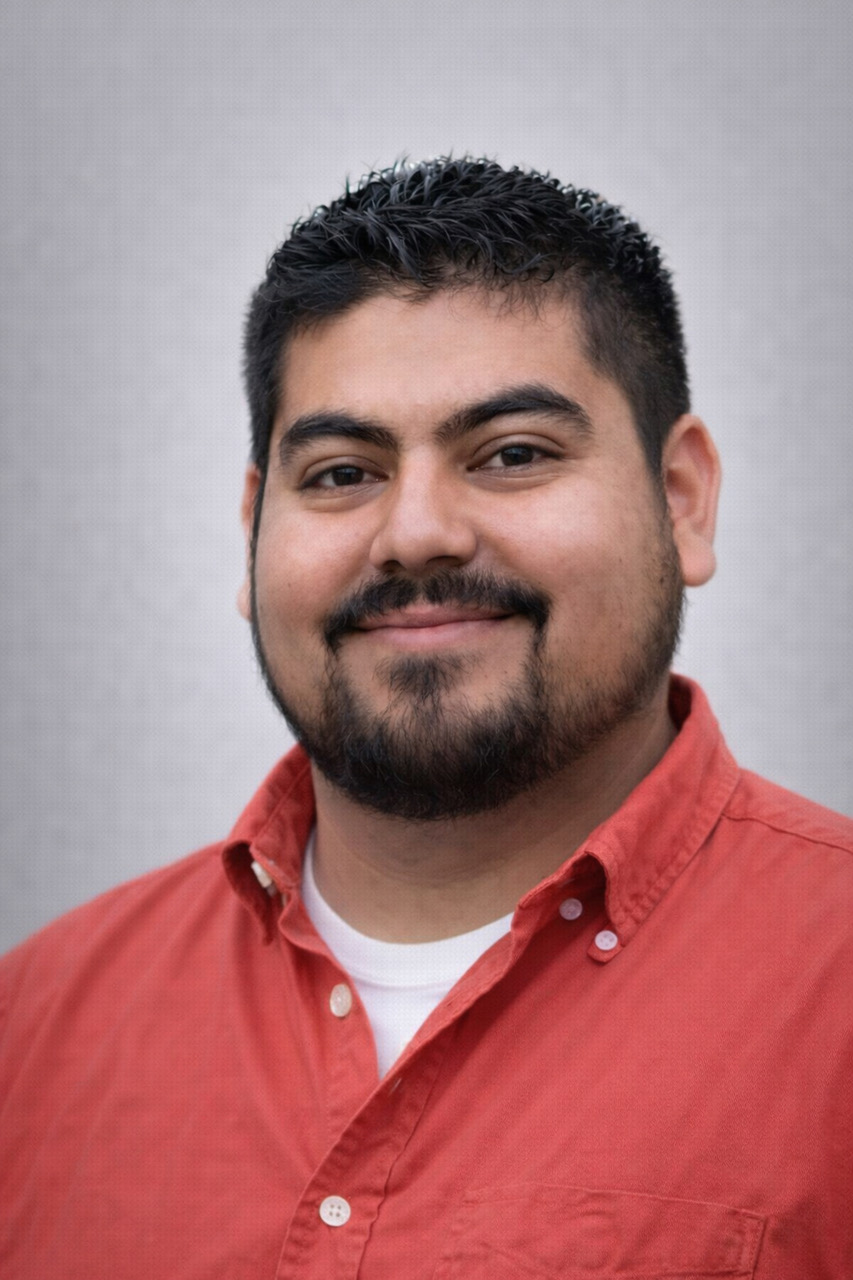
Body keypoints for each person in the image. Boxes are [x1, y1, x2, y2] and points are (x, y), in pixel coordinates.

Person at [1, 158, 850, 1280]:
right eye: (343, 471)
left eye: (510, 454)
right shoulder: (35, 1026)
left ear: (680, 498)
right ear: (255, 532)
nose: (413, 533)